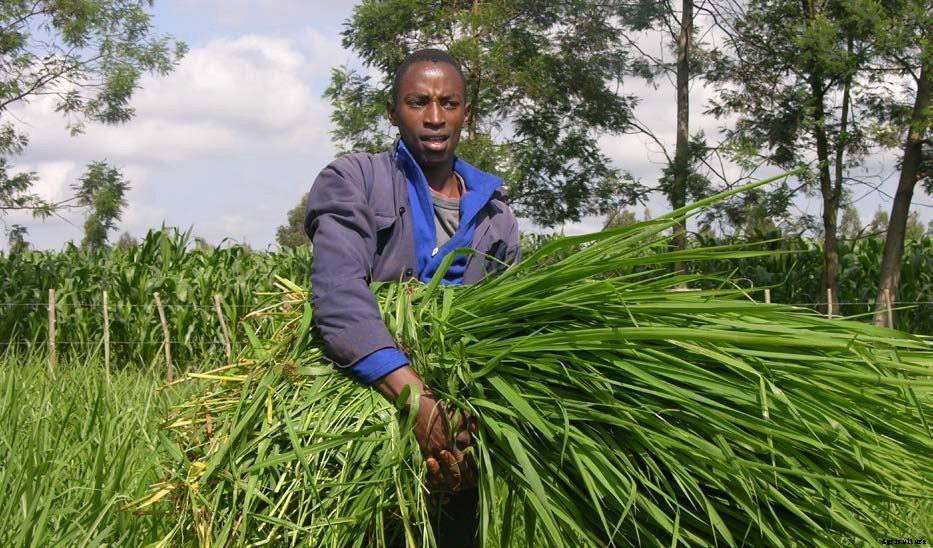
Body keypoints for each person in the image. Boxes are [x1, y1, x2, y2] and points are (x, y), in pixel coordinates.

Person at [303, 48, 521, 546]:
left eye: (449, 103)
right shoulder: (356, 179)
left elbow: (509, 334)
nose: (434, 117)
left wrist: (473, 438)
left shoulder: (497, 216)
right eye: (417, 101)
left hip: (463, 426)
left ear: (468, 112)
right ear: (392, 110)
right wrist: (416, 403)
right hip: (369, 405)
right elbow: (338, 292)